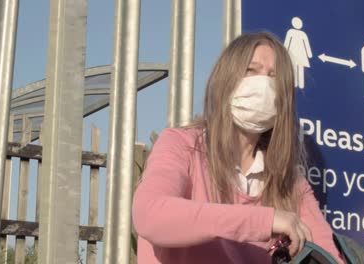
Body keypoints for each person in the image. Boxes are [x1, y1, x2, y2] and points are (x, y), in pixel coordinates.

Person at [132, 31, 343, 264]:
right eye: (251, 70)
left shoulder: (290, 183)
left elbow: (328, 256)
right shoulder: (182, 144)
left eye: (274, 77)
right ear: (226, 80)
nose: (263, 84)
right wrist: (266, 221)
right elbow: (150, 215)